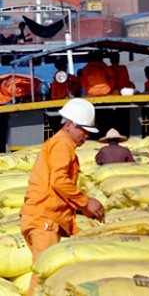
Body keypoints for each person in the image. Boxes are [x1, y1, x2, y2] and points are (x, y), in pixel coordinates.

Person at [20, 98, 105, 296]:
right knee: (44, 275)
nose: (85, 136)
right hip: (44, 220)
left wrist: (82, 209)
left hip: (42, 218)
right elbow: (59, 181)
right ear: (70, 125)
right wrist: (86, 202)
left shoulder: (59, 144)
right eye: (84, 130)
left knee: (47, 272)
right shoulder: (62, 145)